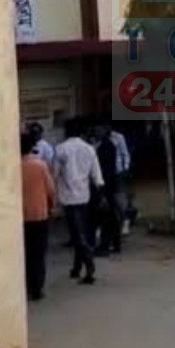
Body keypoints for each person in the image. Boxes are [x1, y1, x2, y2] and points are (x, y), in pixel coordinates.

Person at [54, 117, 105, 285]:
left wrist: (54, 198)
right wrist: (100, 193)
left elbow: (55, 174)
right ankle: (77, 267)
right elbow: (97, 176)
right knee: (81, 231)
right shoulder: (89, 149)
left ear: (66, 132)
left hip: (69, 198)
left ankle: (89, 265)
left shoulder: (61, 149)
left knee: (77, 234)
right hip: (85, 196)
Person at [21, 132, 55, 301]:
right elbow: (51, 190)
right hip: (39, 214)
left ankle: (25, 285)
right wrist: (52, 206)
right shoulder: (40, 165)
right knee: (38, 253)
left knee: (24, 252)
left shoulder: (13, 167)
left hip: (20, 216)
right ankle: (37, 288)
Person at [93, 123, 122, 255]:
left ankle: (105, 245)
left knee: (106, 217)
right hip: (110, 184)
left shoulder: (106, 147)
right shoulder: (106, 145)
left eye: (98, 130)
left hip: (107, 185)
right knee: (111, 216)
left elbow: (106, 170)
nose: (96, 133)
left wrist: (102, 190)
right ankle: (115, 243)